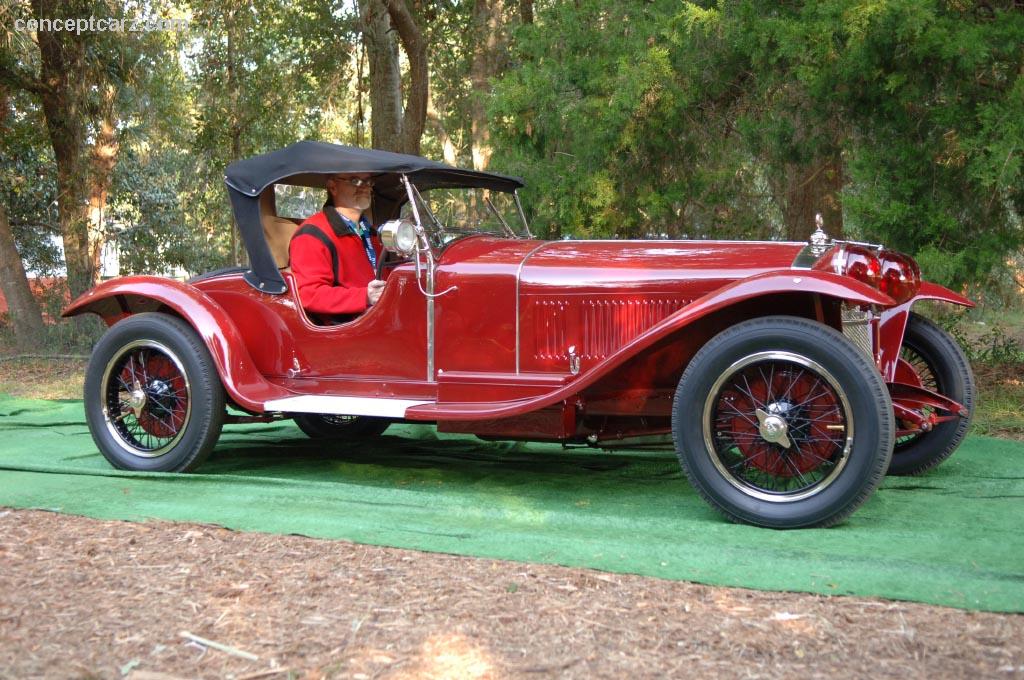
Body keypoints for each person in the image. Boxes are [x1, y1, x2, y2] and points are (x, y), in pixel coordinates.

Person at [288, 173, 387, 323]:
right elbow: (309, 295)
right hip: (347, 331)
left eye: (368, 181)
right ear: (333, 187)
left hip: (382, 318)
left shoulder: (371, 232)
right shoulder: (312, 234)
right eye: (355, 180)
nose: (365, 186)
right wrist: (365, 296)